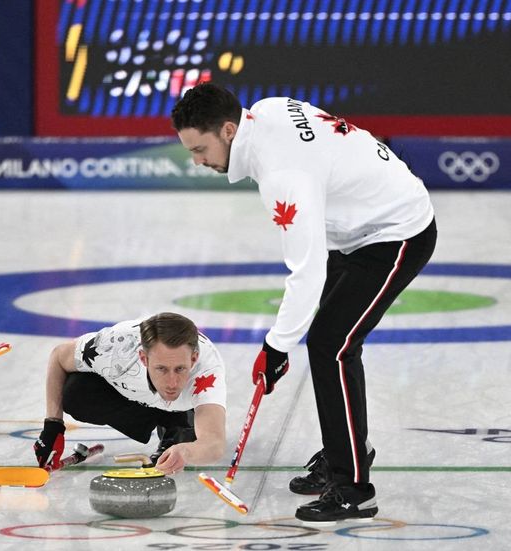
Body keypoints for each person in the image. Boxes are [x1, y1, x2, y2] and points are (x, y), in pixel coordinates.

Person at [171, 83, 436, 522]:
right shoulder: (268, 111)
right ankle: (345, 451)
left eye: (200, 149)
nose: (197, 161)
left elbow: (306, 272)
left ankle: (354, 489)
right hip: (354, 230)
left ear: (229, 130)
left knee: (332, 345)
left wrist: (276, 347)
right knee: (329, 342)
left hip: (396, 232)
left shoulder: (282, 177)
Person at [36, 313, 227, 475]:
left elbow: (214, 443)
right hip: (134, 389)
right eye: (161, 368)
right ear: (143, 358)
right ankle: (162, 417)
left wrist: (186, 451)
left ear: (193, 359)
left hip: (183, 403)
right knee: (76, 393)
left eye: (180, 369)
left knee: (189, 423)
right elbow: (59, 357)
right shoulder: (112, 350)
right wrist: (53, 425)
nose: (172, 383)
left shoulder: (207, 371)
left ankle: (178, 423)